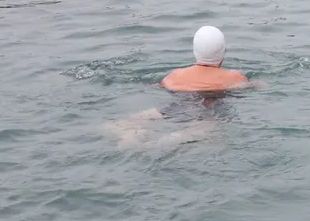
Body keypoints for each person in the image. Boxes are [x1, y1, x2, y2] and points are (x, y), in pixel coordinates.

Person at [104, 25, 263, 148]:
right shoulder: (234, 77)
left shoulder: (174, 75)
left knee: (118, 125)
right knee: (200, 134)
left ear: (194, 51)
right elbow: (258, 86)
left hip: (174, 107)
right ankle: (167, 141)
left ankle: (132, 137)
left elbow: (154, 87)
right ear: (223, 52)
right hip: (207, 110)